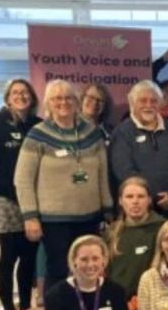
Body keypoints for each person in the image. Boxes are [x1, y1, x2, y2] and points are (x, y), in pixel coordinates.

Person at [14, 79, 112, 293]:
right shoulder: (37, 135)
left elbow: (102, 174)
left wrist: (107, 208)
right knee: (58, 270)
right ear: (48, 103)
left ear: (76, 101)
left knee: (90, 269)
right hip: (54, 221)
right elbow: (22, 179)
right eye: (57, 98)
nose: (63, 102)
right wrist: (30, 216)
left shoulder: (92, 133)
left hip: (90, 217)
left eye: (68, 97)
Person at [0, 78, 41, 310]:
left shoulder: (38, 126)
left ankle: (26, 306)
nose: (20, 96)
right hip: (5, 199)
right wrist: (13, 190)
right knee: (9, 255)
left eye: (25, 92)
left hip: (33, 200)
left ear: (32, 97)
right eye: (15, 92)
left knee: (29, 255)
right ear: (7, 98)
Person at [110, 80, 168, 215]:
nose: (148, 105)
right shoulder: (122, 132)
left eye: (153, 101)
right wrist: (152, 197)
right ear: (133, 103)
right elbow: (124, 172)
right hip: (138, 209)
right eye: (143, 101)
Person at [106, 177, 164, 310]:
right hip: (115, 303)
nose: (135, 202)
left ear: (149, 200)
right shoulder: (111, 232)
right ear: (120, 201)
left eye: (140, 196)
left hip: (147, 305)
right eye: (129, 197)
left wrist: (135, 305)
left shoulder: (162, 229)